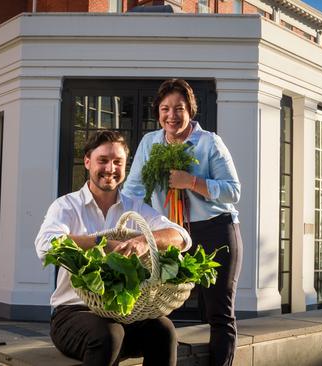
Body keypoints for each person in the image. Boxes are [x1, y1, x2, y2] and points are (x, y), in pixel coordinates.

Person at [34, 130, 192, 366]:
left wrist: (142, 242)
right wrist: (103, 244)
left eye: (118, 162)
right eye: (103, 160)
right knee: (109, 334)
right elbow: (47, 246)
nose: (110, 168)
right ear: (87, 161)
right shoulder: (66, 206)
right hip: (74, 314)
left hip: (126, 314)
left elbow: (181, 237)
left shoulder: (135, 207)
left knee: (164, 330)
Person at [123, 78, 243, 366]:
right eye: (165, 108)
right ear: (158, 112)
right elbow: (133, 191)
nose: (171, 115)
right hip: (170, 232)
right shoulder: (149, 143)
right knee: (155, 306)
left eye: (179, 108)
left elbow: (233, 191)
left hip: (215, 229)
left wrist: (191, 181)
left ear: (191, 110)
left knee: (219, 313)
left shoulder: (208, 142)